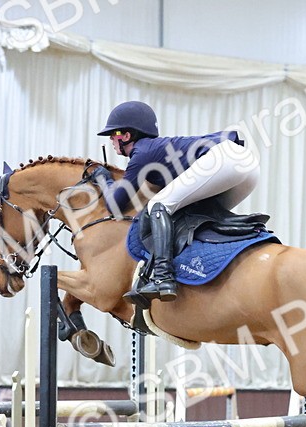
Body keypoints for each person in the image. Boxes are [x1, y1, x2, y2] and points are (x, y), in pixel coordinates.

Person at [89, 100, 259, 306]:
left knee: (156, 207)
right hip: (248, 167)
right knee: (195, 214)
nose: (111, 141)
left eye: (113, 135)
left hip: (225, 160)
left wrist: (102, 178)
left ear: (126, 135)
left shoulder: (141, 153)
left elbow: (115, 206)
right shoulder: (155, 151)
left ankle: (162, 277)